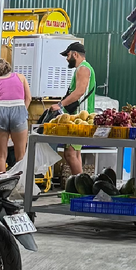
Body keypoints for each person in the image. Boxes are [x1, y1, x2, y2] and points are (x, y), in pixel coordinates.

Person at [50, 42, 96, 177]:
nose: (66, 58)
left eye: (68, 55)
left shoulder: (83, 69)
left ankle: (80, 184)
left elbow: (79, 92)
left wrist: (60, 105)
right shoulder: (84, 68)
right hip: (81, 118)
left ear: (75, 54)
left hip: (79, 118)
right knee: (75, 153)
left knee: (69, 153)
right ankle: (78, 183)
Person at [0, 58, 31, 174]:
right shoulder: (20, 77)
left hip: (0, 112)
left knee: (1, 154)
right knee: (20, 155)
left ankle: (0, 182)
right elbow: (28, 98)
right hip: (19, 109)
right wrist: (22, 111)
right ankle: (20, 182)